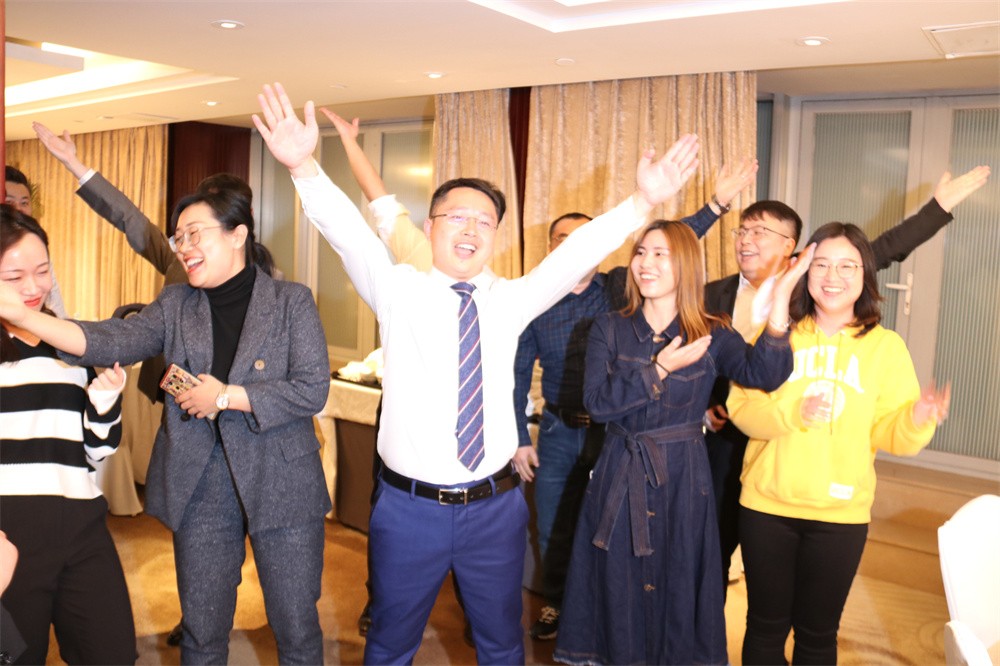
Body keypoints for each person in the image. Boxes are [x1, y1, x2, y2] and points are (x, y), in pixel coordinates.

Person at [254, 81, 700, 664]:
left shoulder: (510, 300)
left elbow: (575, 253)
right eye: (456, 217)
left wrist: (641, 203)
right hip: (409, 510)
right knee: (390, 643)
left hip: (495, 509)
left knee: (501, 642)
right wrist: (303, 167)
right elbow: (349, 234)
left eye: (484, 222)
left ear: (496, 236)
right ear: (430, 226)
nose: (470, 230)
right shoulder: (397, 291)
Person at [0, 189, 332, 664]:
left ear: (237, 234)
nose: (184, 247)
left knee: (296, 626)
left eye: (195, 234)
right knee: (201, 631)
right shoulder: (176, 303)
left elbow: (311, 388)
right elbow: (111, 337)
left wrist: (225, 396)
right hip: (201, 484)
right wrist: (24, 315)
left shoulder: (290, 301)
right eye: (179, 238)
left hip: (283, 481)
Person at [703, 164, 991, 597]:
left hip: (796, 446)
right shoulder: (711, 294)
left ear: (793, 248)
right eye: (742, 230)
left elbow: (883, 249)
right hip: (729, 433)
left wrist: (938, 208)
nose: (746, 240)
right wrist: (704, 409)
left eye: (760, 231)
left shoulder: (814, 283)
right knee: (712, 547)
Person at [511, 159, 758, 641]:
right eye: (562, 240)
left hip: (617, 430)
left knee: (621, 532)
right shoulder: (534, 301)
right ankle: (560, 604)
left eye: (583, 240)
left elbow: (671, 250)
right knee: (556, 524)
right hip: (561, 427)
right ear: (550, 248)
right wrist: (520, 436)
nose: (570, 248)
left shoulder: (613, 287)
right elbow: (517, 374)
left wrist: (716, 205)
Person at [553, 218, 814, 665]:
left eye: (661, 254)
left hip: (684, 478)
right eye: (641, 252)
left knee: (677, 579)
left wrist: (780, 303)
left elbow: (765, 374)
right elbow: (597, 404)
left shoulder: (712, 332)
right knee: (618, 581)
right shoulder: (607, 328)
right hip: (619, 471)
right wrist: (659, 369)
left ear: (687, 265)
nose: (645, 263)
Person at [727, 222, 951, 665]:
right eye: (822, 265)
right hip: (767, 508)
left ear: (865, 275)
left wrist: (916, 419)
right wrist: (793, 414)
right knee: (765, 627)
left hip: (840, 517)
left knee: (817, 635)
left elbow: (891, 434)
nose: (833, 277)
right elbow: (743, 410)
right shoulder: (775, 334)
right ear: (804, 272)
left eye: (847, 266)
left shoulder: (886, 348)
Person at [0, 205, 136, 665]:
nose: (33, 287)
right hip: (10, 531)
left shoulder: (70, 343)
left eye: (42, 271)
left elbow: (96, 453)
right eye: (14, 276)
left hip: (81, 521)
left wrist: (105, 401)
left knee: (113, 653)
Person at [5, 166, 67, 318]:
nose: (19, 209)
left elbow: (56, 306)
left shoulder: (37, 246)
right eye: (9, 203)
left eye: (24, 203)